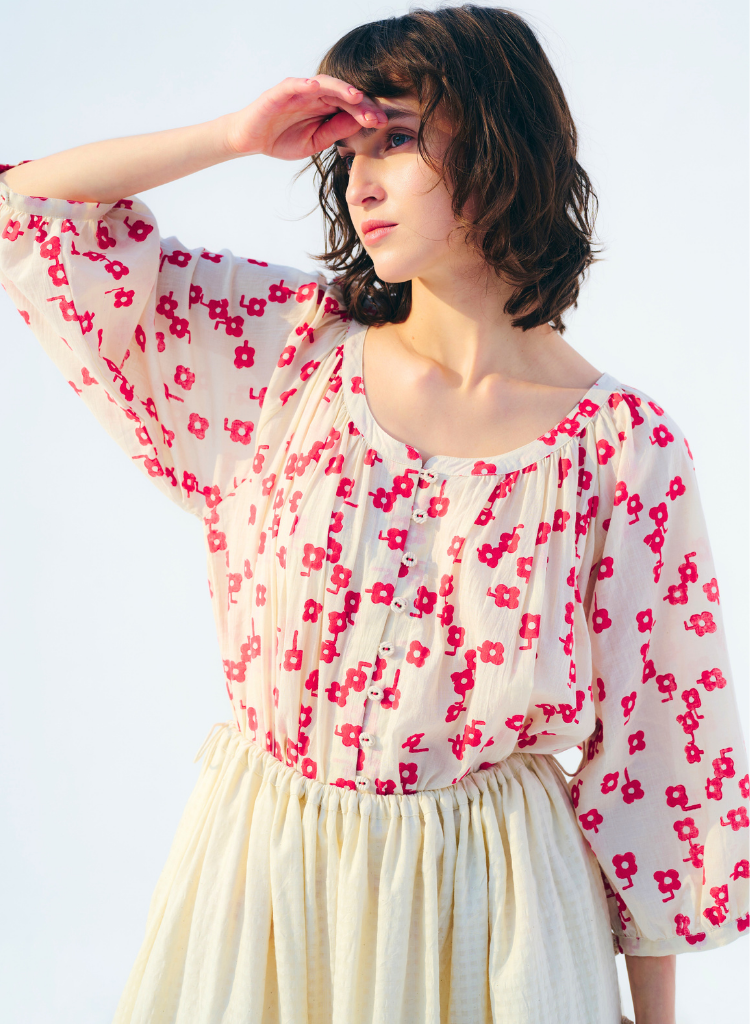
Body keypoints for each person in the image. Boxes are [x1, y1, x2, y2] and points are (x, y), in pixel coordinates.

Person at [0, 6, 746, 1023]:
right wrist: (233, 136)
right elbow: (34, 213)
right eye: (347, 150)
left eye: (395, 138)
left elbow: (663, 762)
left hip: (499, 913)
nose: (358, 180)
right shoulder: (284, 353)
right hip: (267, 885)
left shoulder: (621, 450)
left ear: (499, 147)